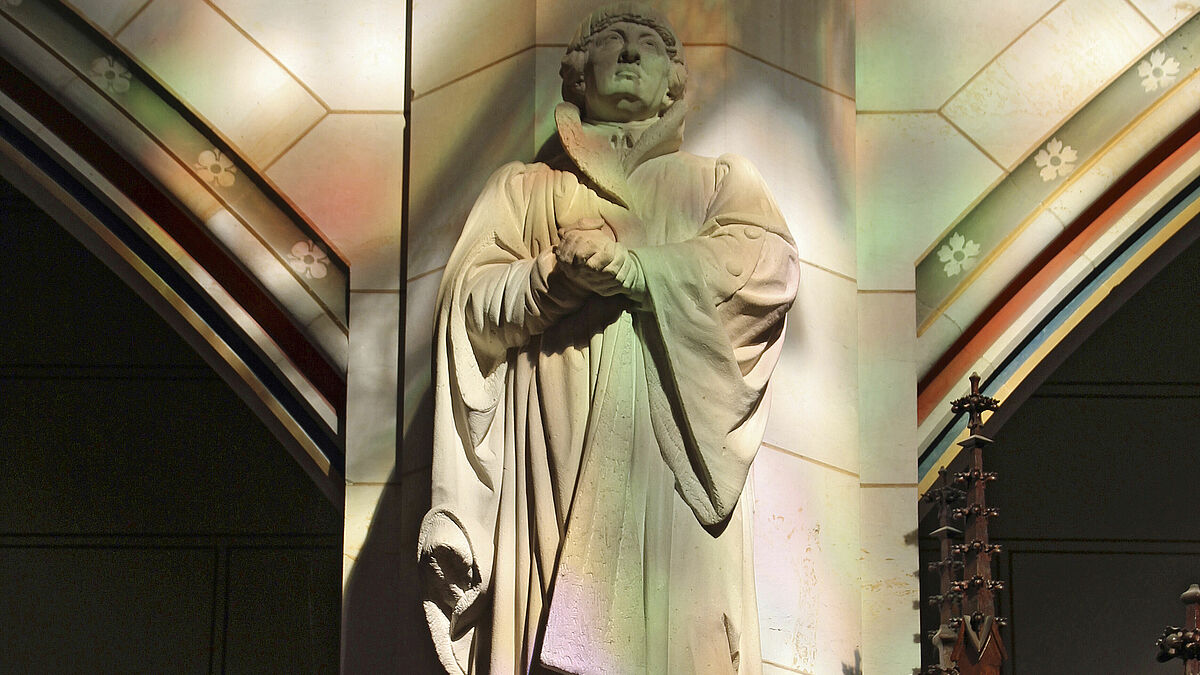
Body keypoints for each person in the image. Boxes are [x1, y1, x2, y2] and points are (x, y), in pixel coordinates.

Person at [418, 4, 799, 673]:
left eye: (647, 46)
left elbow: (764, 269)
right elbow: (469, 305)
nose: (628, 55)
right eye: (611, 43)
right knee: (547, 620)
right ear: (577, 73)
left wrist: (641, 268)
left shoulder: (715, 183)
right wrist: (550, 281)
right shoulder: (526, 190)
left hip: (668, 451)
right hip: (551, 457)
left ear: (673, 81)